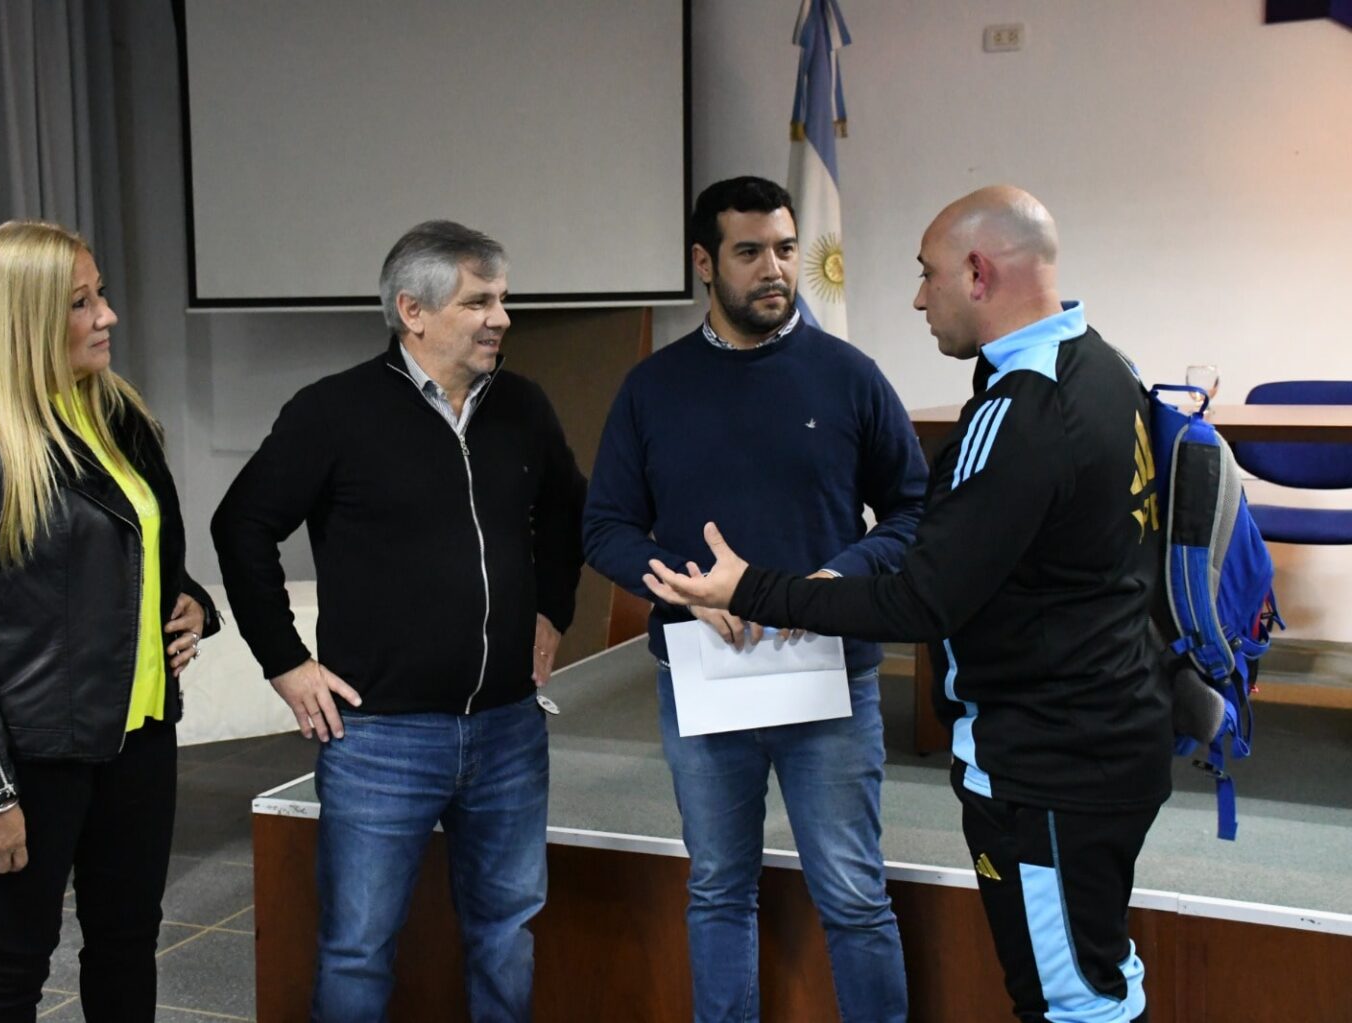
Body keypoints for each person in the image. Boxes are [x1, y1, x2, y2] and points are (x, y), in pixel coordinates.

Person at [644, 186, 1172, 1023]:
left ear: (978, 272)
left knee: (1075, 1000)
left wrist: (753, 588)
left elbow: (923, 599)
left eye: (929, 275)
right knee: (1098, 972)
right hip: (1105, 729)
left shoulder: (1022, 410)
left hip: (1051, 760)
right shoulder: (1107, 365)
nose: (920, 298)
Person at [211, 220, 586, 1022]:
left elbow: (565, 510)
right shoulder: (333, 411)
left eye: (503, 299)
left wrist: (555, 607)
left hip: (508, 729)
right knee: (357, 947)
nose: (501, 318)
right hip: (380, 738)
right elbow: (241, 524)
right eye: (479, 302)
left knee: (507, 933)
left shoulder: (522, 405)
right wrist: (284, 660)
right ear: (412, 311)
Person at [583, 176, 925, 1022]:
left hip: (828, 674)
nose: (775, 269)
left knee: (853, 893)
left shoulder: (849, 375)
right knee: (718, 888)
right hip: (704, 673)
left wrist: (837, 579)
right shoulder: (653, 387)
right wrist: (682, 586)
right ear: (704, 262)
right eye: (749, 252)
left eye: (784, 248)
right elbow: (606, 527)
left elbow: (916, 510)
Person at [0, 220, 222, 1020]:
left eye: (100, 294)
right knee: (11, 962)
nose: (107, 314)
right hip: (25, 750)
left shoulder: (117, 414)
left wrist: (190, 600)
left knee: (127, 941)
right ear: (27, 317)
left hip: (137, 735)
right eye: (81, 302)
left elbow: (136, 548)